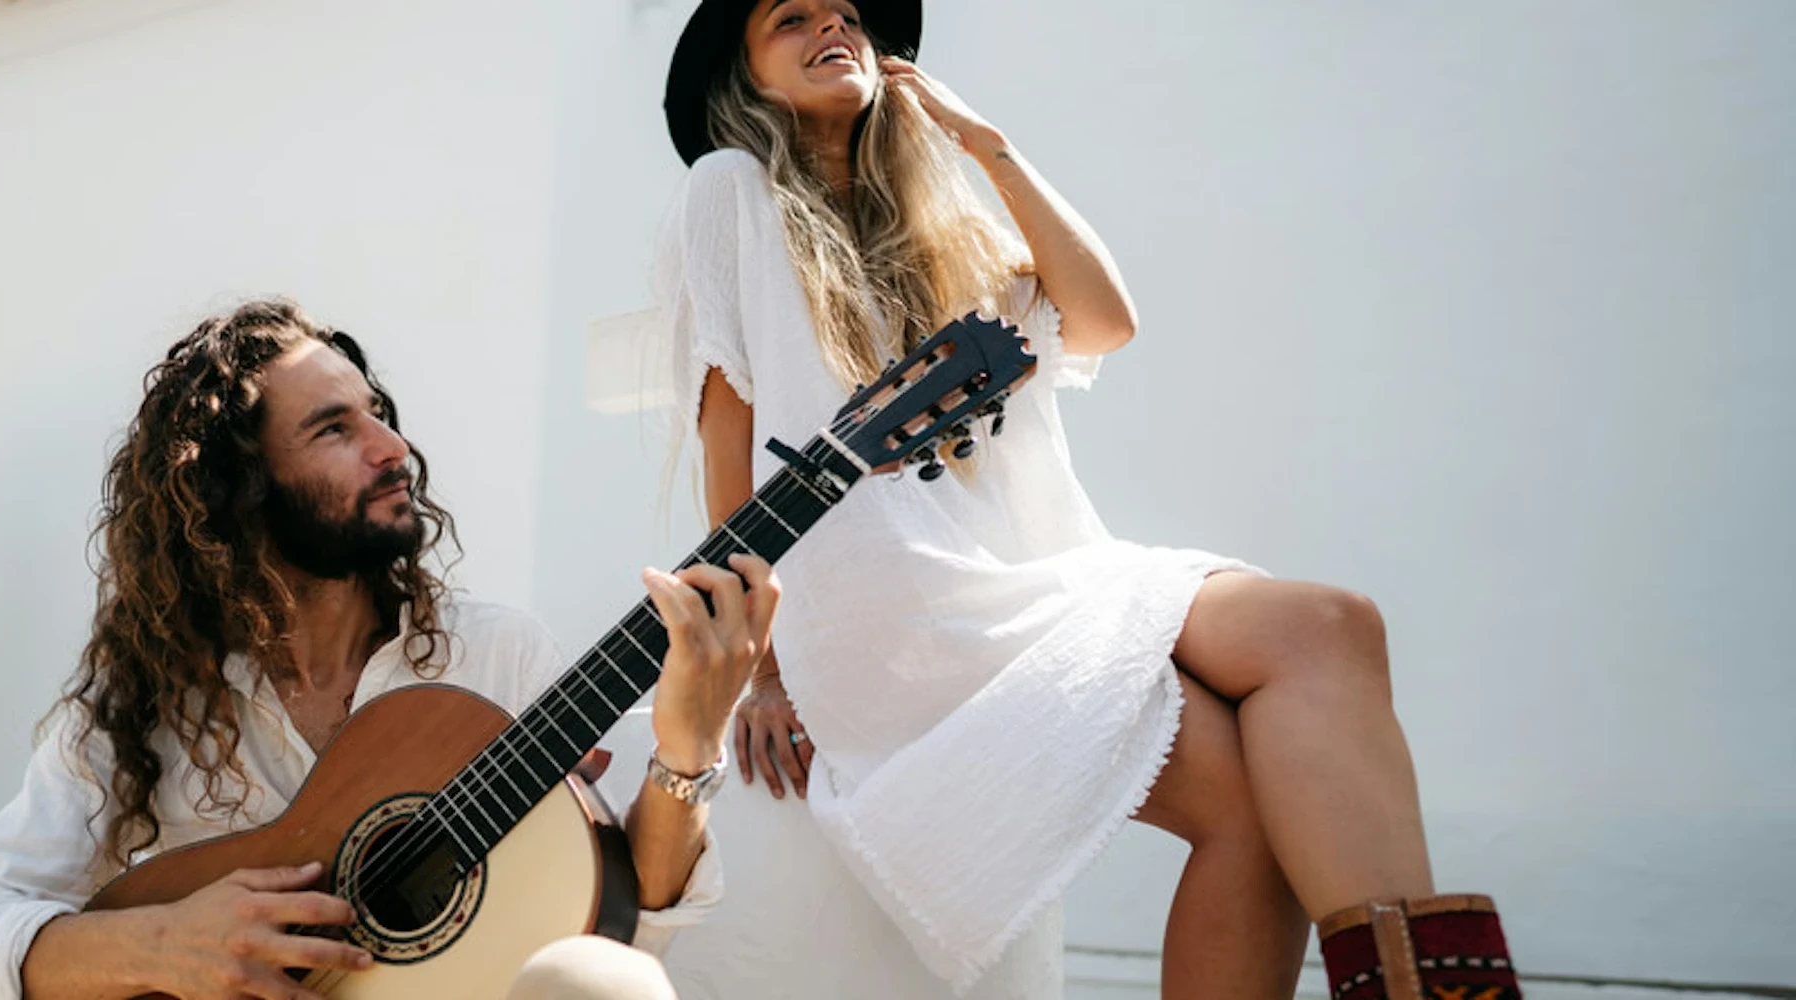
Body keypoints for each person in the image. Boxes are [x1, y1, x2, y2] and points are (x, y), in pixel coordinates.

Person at [650, 2, 1523, 998]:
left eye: (845, 13)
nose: (831, 26)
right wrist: (756, 672)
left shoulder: (937, 226)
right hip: (892, 611)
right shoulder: (729, 192)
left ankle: (1417, 986)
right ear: (744, 75)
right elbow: (728, 431)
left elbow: (1103, 319)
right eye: (790, 19)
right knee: (1297, 676)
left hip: (1035, 574)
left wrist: (986, 146)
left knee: (1319, 649)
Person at [0, 299, 779, 1000]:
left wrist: (687, 748)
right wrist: (164, 943)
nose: (394, 449)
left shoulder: (493, 657)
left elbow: (634, 913)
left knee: (604, 986)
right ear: (240, 491)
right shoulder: (149, 703)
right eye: (334, 430)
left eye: (381, 415)